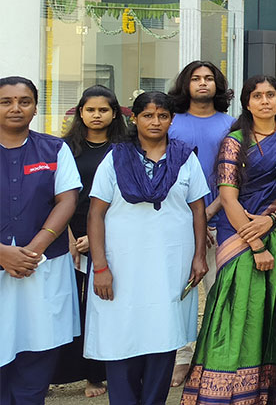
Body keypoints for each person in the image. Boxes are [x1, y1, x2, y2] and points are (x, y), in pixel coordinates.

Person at [181, 75, 276, 405]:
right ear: (247, 103)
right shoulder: (234, 141)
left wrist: (273, 219)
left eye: (271, 95)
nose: (265, 101)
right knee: (240, 315)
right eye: (257, 96)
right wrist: (256, 243)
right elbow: (228, 197)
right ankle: (234, 395)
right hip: (242, 239)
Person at [85, 91, 209, 405]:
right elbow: (96, 213)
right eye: (148, 115)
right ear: (134, 119)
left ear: (171, 119)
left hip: (171, 265)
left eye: (162, 115)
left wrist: (198, 257)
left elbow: (197, 210)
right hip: (120, 267)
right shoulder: (115, 157)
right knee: (121, 335)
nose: (155, 122)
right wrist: (100, 267)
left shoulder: (184, 157)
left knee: (163, 335)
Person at [0, 76, 81, 405]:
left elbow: (67, 200)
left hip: (44, 268)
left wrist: (33, 250)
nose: (16, 108)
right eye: (6, 101)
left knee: (38, 354)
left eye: (24, 101)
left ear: (35, 107)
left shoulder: (55, 148)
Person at [53, 86, 127, 397]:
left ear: (114, 114)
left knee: (103, 306)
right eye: (90, 110)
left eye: (103, 110)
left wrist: (96, 238)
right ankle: (68, 371)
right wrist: (70, 237)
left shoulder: (125, 148)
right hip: (65, 234)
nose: (97, 115)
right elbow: (57, 195)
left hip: (111, 233)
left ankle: (96, 375)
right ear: (80, 113)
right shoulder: (64, 148)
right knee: (69, 307)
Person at [166, 60, 234, 386]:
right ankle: (182, 356)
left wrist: (209, 213)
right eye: (196, 78)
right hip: (179, 222)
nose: (203, 83)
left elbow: (236, 176)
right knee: (181, 292)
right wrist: (194, 218)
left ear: (217, 85)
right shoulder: (171, 123)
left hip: (223, 221)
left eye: (209, 78)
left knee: (221, 292)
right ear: (186, 84)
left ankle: (213, 356)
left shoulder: (232, 124)